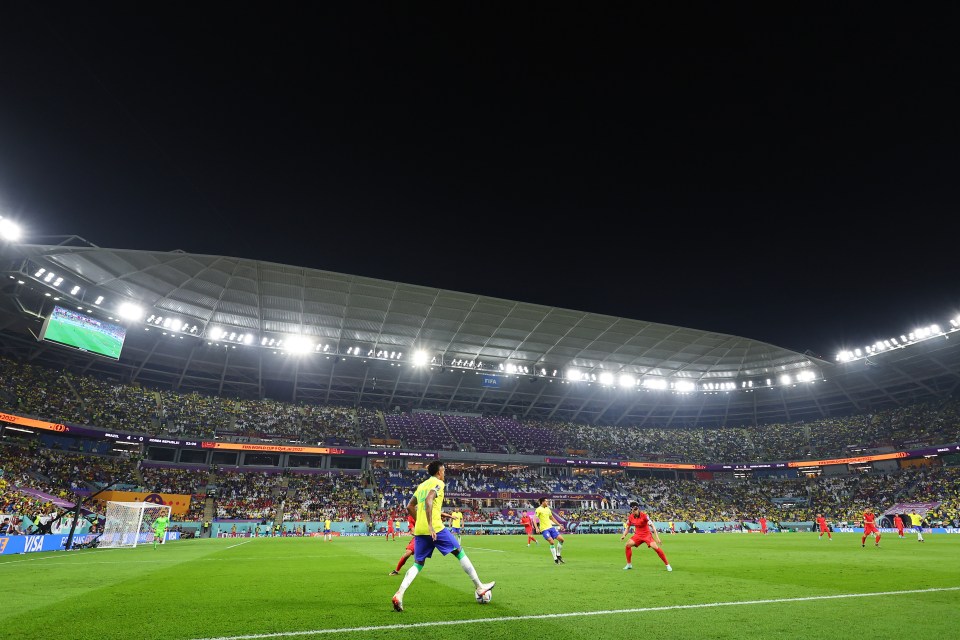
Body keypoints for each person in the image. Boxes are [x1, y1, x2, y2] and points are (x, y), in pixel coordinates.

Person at [391, 461, 494, 612]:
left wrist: (422, 523)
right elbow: (429, 500)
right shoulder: (438, 483)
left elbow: (410, 506)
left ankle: (399, 594)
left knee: (418, 563)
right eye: (444, 471)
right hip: (436, 529)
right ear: (439, 472)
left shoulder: (421, 486)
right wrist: (431, 525)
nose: (444, 474)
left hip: (420, 530)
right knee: (459, 551)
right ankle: (479, 587)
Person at [621, 502, 672, 571]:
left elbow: (653, 526)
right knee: (627, 545)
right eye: (633, 510)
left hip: (647, 535)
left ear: (638, 509)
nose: (634, 511)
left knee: (655, 547)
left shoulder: (644, 516)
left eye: (635, 510)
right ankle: (629, 564)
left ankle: (667, 565)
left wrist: (657, 538)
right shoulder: (630, 517)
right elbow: (627, 528)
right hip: (638, 535)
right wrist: (624, 535)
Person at [534, 497, 566, 564]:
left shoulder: (548, 509)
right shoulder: (538, 509)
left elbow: (552, 518)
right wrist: (536, 528)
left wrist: (559, 525)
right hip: (544, 529)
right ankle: (555, 560)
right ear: (542, 502)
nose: (547, 502)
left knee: (561, 540)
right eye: (546, 501)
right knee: (551, 542)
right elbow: (534, 519)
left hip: (551, 528)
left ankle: (558, 555)